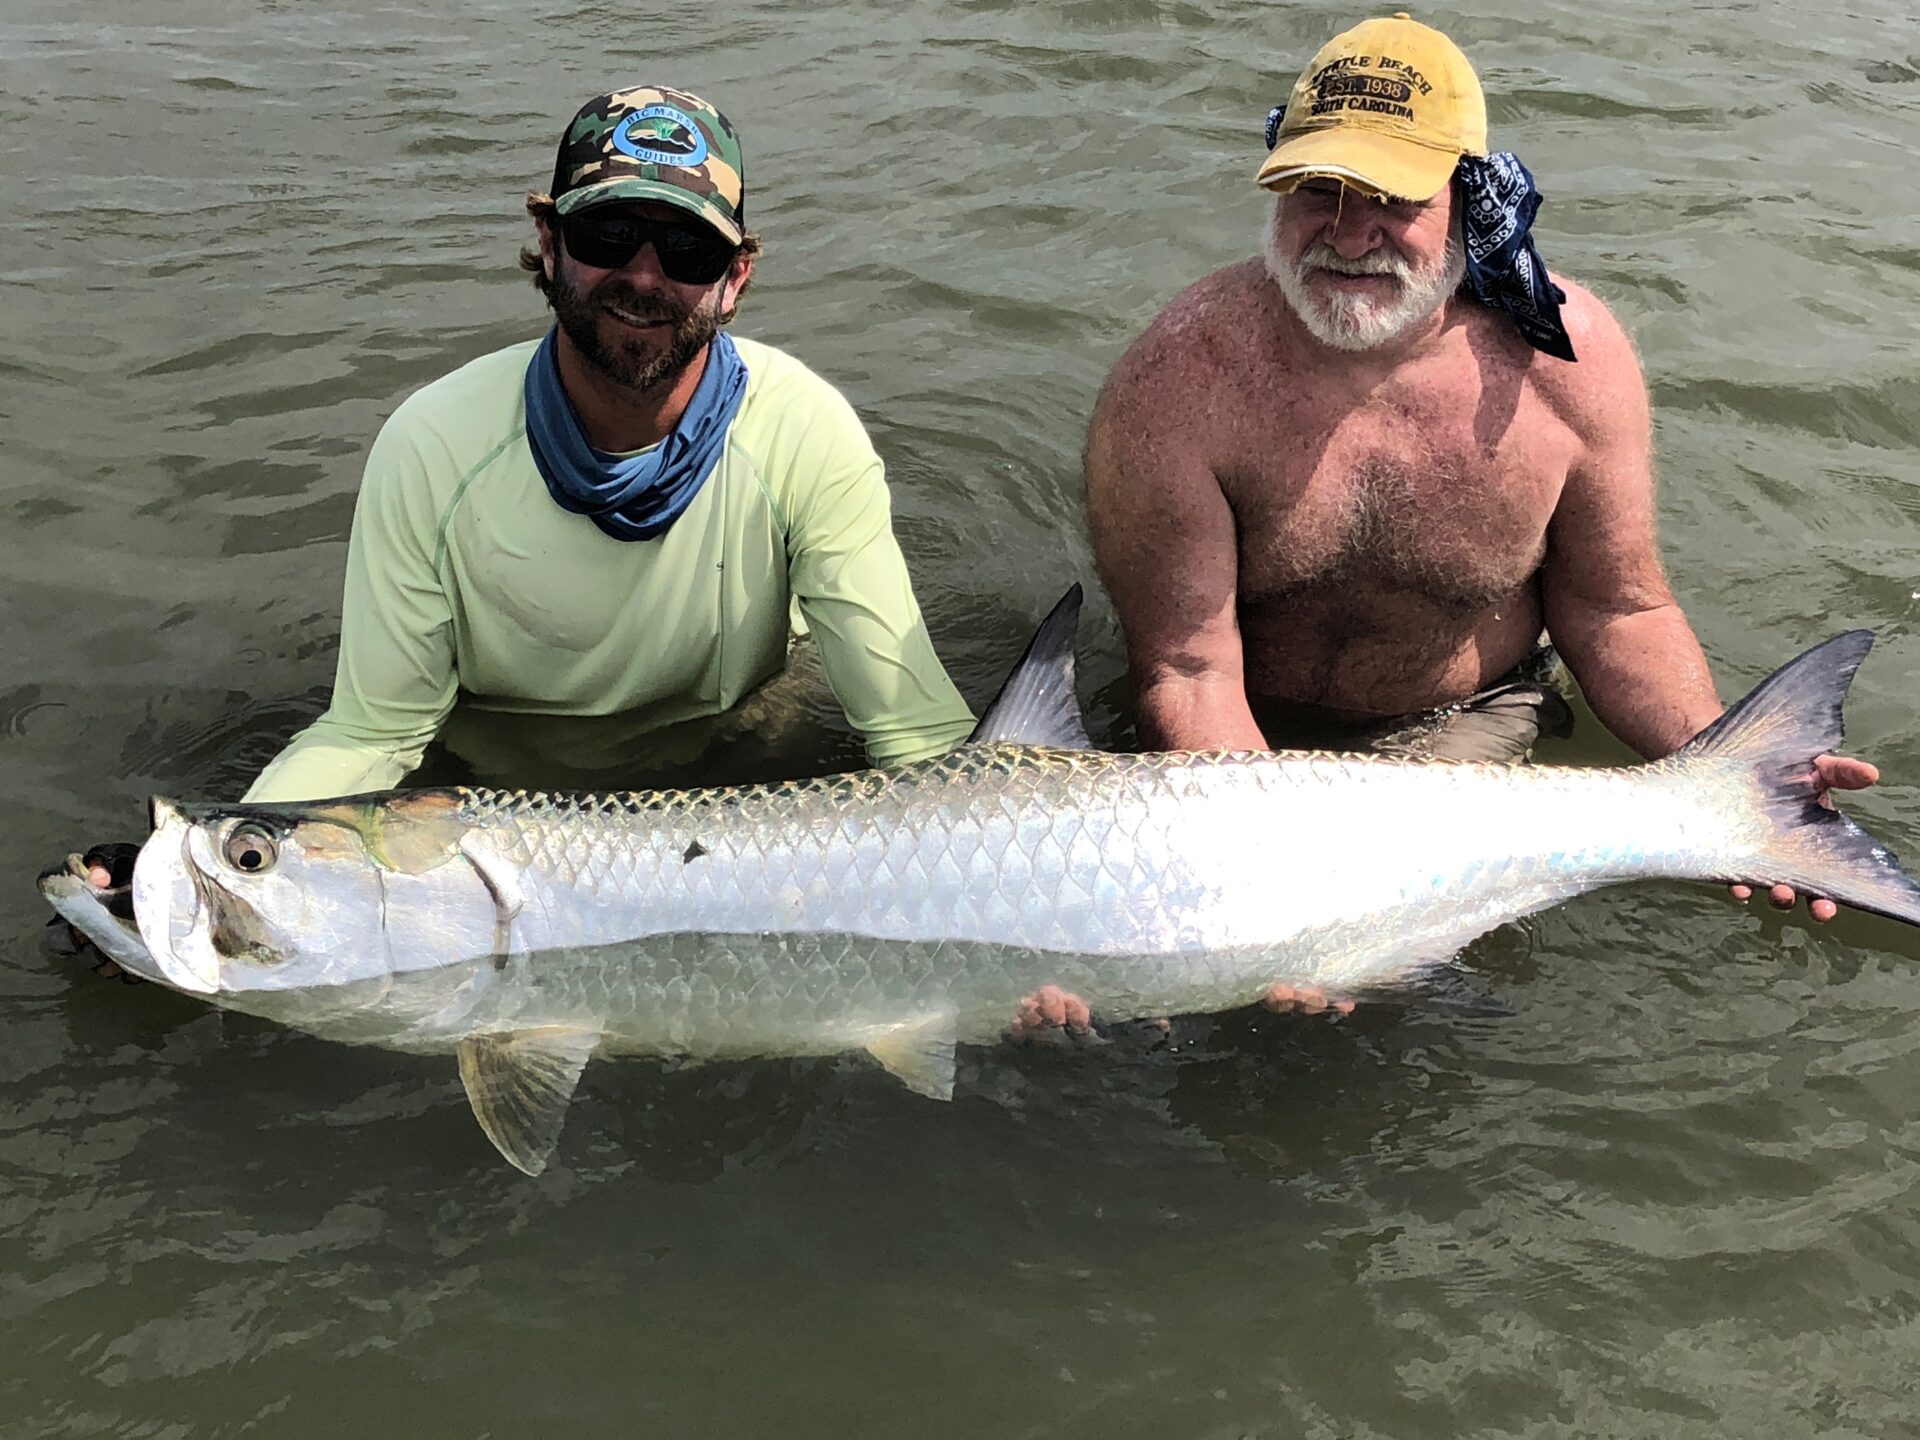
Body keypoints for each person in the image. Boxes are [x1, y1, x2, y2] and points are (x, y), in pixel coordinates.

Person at [1071, 13, 1876, 1020]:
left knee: (1403, 1035)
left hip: (1456, 727)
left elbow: (1617, 611)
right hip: (1228, 745)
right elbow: (1187, 669)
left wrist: (1730, 782)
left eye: (1393, 199)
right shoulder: (1176, 384)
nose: (1351, 234)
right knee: (1177, 1021)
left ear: (1466, 195)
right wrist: (1274, 891)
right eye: (1319, 190)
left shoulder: (1567, 368)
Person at [68, 84, 976, 974]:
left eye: (689, 250)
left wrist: (1007, 912)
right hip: (498, 804)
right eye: (608, 236)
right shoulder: (431, 445)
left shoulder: (806, 431)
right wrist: (196, 870)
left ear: (734, 281)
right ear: (548, 244)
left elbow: (916, 736)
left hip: (745, 751)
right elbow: (376, 731)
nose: (645, 276)